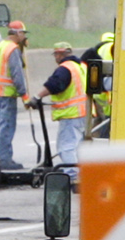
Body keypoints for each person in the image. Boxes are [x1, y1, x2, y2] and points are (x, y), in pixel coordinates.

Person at [27, 40, 88, 177]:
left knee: (66, 146)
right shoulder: (80, 66)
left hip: (70, 114)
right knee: (77, 146)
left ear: (59, 55)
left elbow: (53, 85)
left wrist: (37, 97)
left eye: (56, 55)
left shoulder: (65, 68)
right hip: (83, 113)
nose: (55, 58)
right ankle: (80, 174)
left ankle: (72, 175)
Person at [0, 21, 29, 170]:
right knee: (7, 126)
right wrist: (24, 95)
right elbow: (17, 74)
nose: (24, 37)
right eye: (23, 33)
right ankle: (4, 158)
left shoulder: (1, 45)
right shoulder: (12, 49)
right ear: (18, 33)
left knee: (2, 126)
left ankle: (3, 156)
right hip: (7, 93)